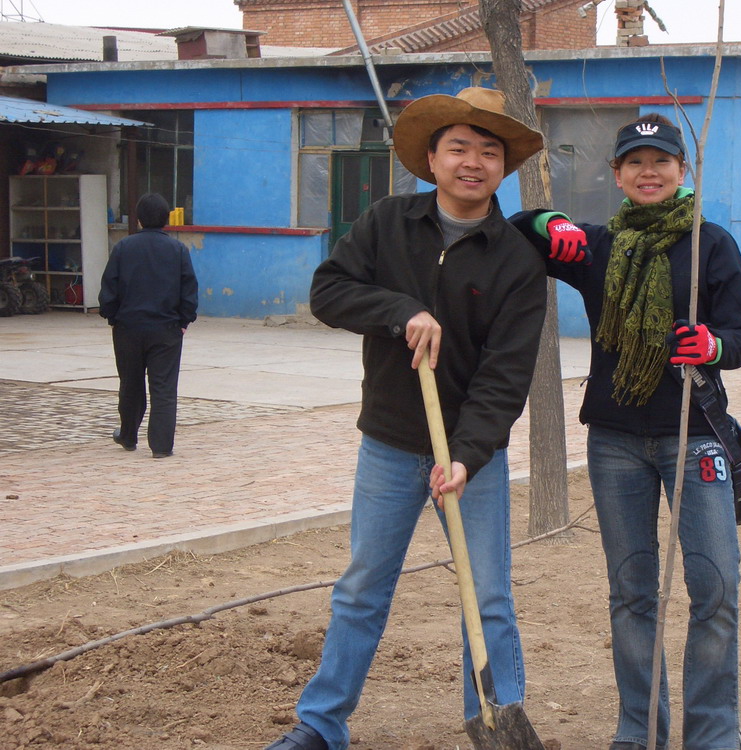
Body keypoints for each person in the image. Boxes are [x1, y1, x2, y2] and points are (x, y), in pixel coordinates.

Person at [264, 87, 547, 750]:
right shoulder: (387, 224)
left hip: (471, 455)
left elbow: (504, 381)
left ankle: (495, 720)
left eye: (488, 151)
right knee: (362, 588)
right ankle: (321, 725)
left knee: (488, 599)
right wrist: (401, 312)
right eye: (459, 147)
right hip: (390, 445)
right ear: (432, 156)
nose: (472, 162)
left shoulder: (516, 261)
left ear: (503, 167)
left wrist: (466, 456)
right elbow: (328, 291)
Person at [513, 113, 741, 750]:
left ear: (683, 171)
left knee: (715, 586)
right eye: (635, 163)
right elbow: (520, 227)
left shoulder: (711, 245)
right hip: (615, 440)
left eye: (661, 161)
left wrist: (710, 344)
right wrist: (552, 221)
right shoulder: (596, 246)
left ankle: (712, 736)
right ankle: (638, 732)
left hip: (693, 433)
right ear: (617, 175)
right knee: (631, 593)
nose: (648, 172)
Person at [98, 192, 198, 459]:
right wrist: (184, 321)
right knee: (163, 388)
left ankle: (128, 436)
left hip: (128, 328)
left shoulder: (123, 248)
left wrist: (112, 317)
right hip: (166, 330)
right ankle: (161, 446)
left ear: (139, 219)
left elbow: (109, 289)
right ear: (167, 219)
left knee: (130, 383)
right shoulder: (178, 250)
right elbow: (189, 291)